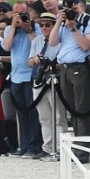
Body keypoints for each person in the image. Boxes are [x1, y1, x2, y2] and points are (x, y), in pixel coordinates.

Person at [48, 0, 90, 163]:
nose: (71, 11)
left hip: (81, 68)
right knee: (72, 110)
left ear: (82, 7)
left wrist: (73, 28)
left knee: (81, 110)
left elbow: (86, 45)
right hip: (65, 69)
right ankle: (77, 146)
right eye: (67, 8)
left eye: (74, 8)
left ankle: (83, 150)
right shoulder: (62, 22)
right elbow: (53, 42)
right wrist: (59, 21)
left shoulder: (89, 22)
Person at [3, 1, 42, 159]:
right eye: (16, 14)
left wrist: (28, 29)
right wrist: (13, 27)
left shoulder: (36, 28)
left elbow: (38, 45)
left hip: (29, 74)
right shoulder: (8, 29)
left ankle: (34, 146)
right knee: (21, 113)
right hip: (16, 75)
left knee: (32, 112)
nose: (20, 17)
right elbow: (6, 47)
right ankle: (24, 145)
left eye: (23, 13)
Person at [28, 12, 67, 161]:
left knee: (58, 116)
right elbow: (29, 62)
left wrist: (51, 64)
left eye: (47, 25)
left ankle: (60, 148)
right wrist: (37, 59)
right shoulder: (36, 41)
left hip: (54, 80)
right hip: (39, 80)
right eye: (41, 25)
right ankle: (47, 147)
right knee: (44, 117)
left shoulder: (61, 41)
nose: (44, 27)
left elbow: (63, 63)